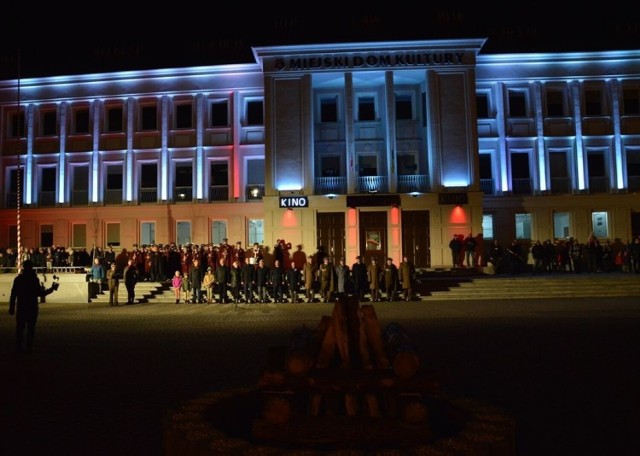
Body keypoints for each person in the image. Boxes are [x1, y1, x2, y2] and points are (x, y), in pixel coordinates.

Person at [9, 259, 58, 353]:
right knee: (31, 328)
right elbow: (39, 293)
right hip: (31, 306)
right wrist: (51, 289)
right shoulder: (34, 279)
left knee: (20, 328)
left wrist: (11, 307)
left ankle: (19, 346)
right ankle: (28, 347)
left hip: (21, 306)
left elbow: (13, 294)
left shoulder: (19, 279)